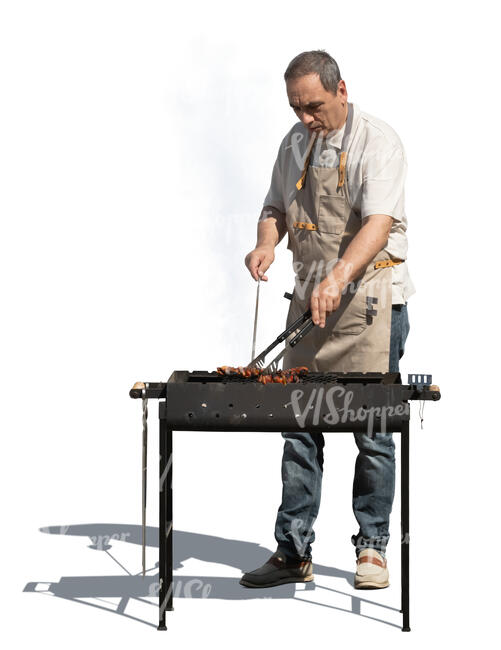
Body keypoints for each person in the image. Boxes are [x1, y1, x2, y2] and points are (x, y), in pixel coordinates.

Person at [241, 50, 414, 589]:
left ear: (342, 91)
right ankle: (293, 551)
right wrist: (265, 244)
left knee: (372, 429)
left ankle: (372, 549)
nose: (305, 118)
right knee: (299, 427)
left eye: (313, 106)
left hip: (369, 304)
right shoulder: (293, 145)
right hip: (309, 301)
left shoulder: (377, 142)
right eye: (296, 108)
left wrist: (337, 278)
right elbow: (274, 209)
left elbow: (379, 224)